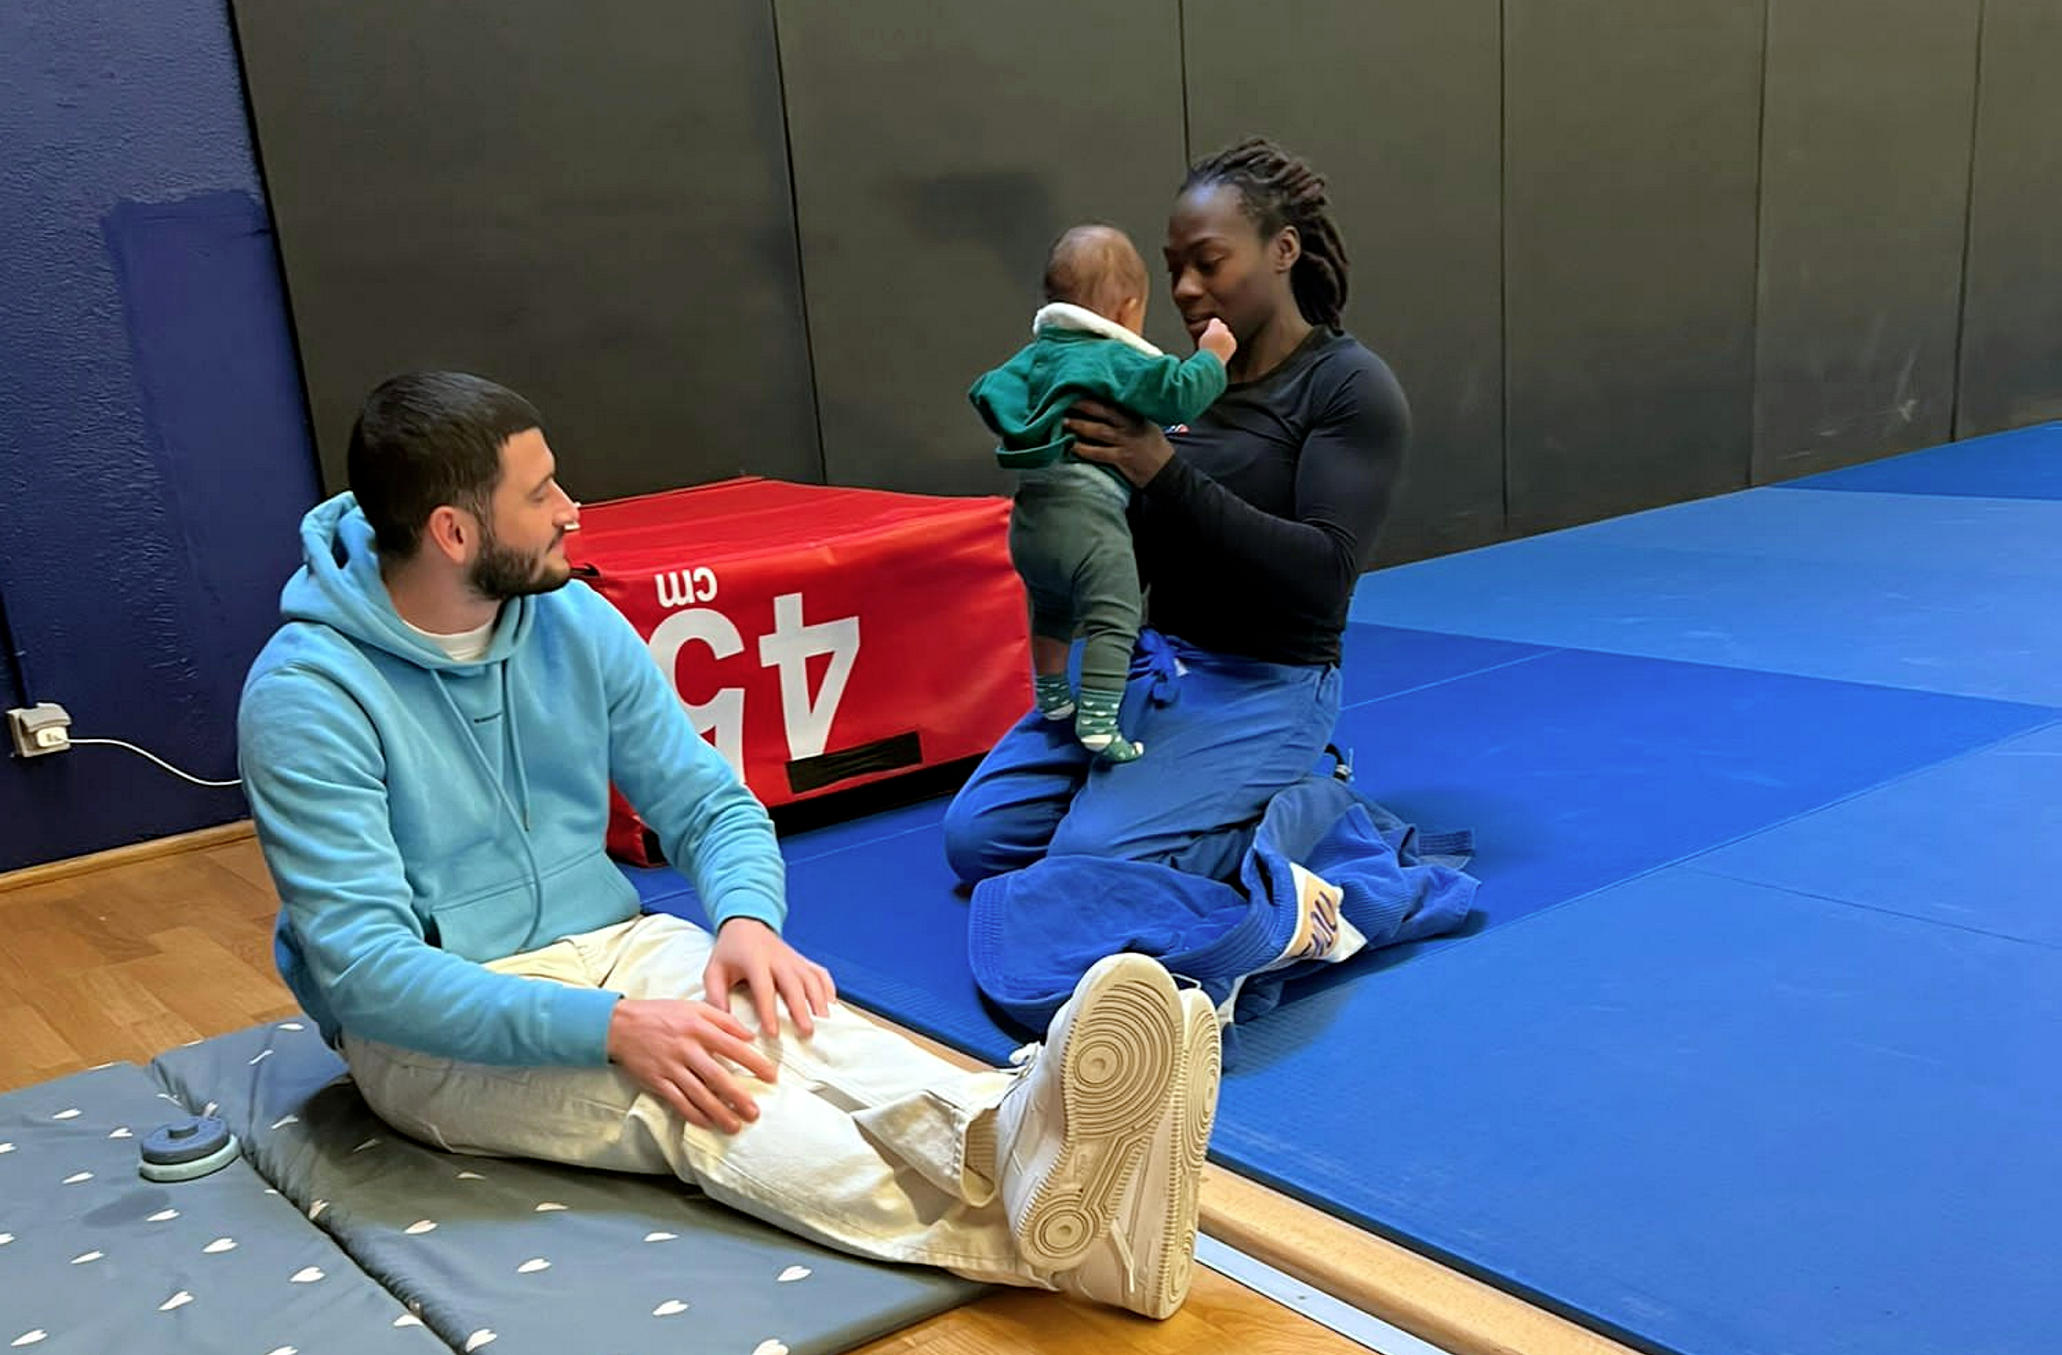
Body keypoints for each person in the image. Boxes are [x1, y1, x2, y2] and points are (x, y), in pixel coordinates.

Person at [236, 371, 1222, 1319]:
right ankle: (1047, 1204)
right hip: (427, 1035)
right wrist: (611, 1029)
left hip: (613, 945)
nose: (572, 509)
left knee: (804, 1028)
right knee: (691, 1097)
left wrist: (746, 919)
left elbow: (710, 801)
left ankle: (1024, 1137)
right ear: (455, 531)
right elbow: (368, 976)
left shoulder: (570, 618)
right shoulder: (306, 696)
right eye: (540, 494)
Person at [945, 138, 1408, 887]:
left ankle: (1312, 796)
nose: (1187, 288)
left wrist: (1158, 468)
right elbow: (1141, 547)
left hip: (1270, 679)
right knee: (979, 840)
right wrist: (1069, 491)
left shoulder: (1349, 386)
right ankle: (1169, 799)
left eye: (1209, 262)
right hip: (1155, 663)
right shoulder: (1175, 386)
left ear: (1283, 249)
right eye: (1173, 269)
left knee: (1086, 862)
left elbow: (1324, 575)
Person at [969, 223, 1237, 762]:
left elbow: (987, 390)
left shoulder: (1037, 357)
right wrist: (1213, 356)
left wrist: (1034, 429)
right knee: (1115, 617)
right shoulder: (1113, 358)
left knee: (1049, 607)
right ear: (1128, 307)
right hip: (1088, 517)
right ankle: (1098, 721)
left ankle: (1051, 699)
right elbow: (1179, 395)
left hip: (1029, 518)